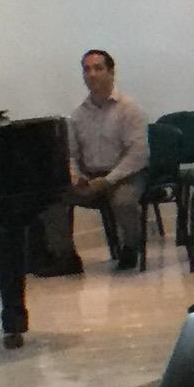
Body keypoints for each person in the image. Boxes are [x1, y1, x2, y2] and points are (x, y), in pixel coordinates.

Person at [62, 49, 150, 271]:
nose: (91, 74)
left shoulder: (130, 109)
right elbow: (71, 154)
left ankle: (131, 247)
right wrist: (76, 176)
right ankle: (65, 257)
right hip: (90, 175)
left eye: (98, 68)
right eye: (86, 69)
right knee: (54, 198)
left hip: (125, 174)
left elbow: (138, 155)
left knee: (123, 201)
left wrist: (109, 180)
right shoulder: (78, 114)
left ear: (111, 72)